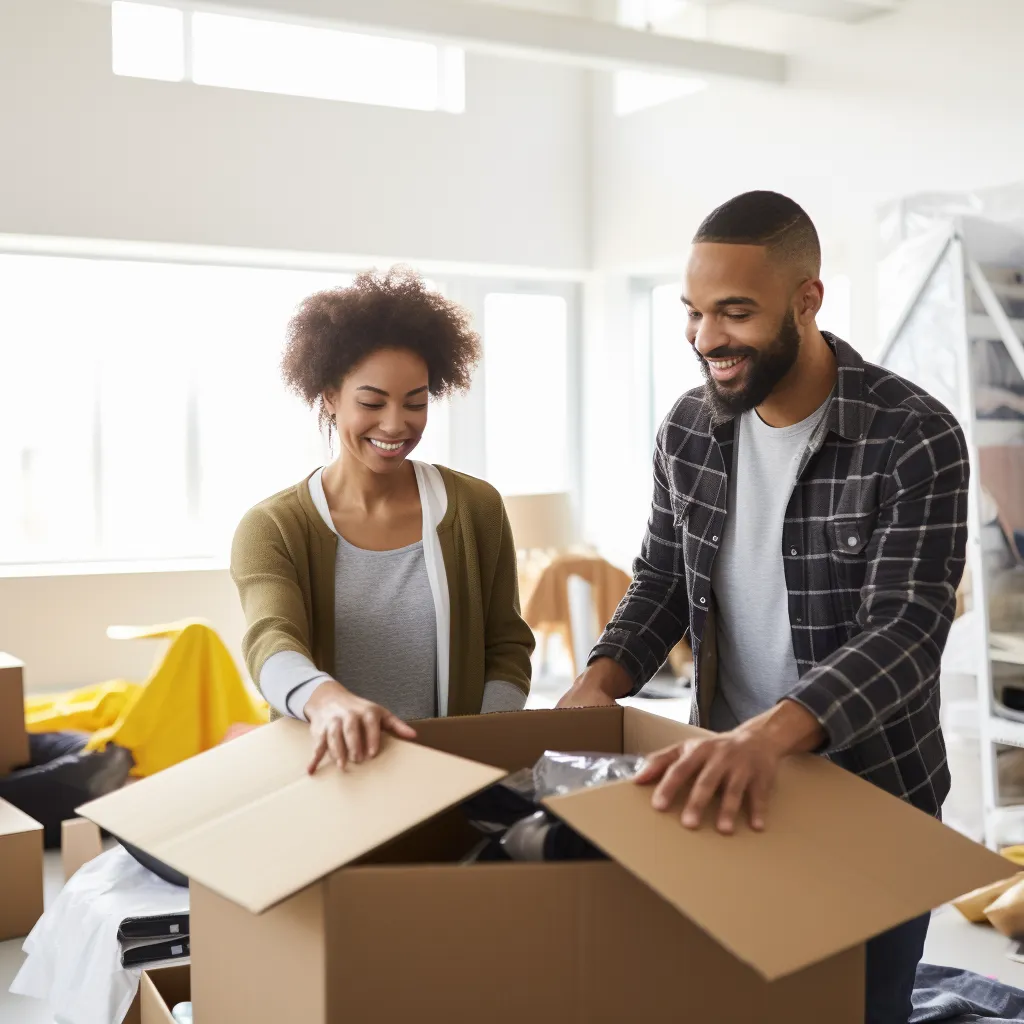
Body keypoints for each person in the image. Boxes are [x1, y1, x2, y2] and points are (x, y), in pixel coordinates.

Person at [558, 192, 968, 1024]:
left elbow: (907, 629)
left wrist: (766, 736)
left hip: (875, 798)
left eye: (734, 313)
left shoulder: (913, 436)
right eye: (694, 312)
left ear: (807, 300)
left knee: (861, 1010)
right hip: (728, 793)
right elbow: (662, 578)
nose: (707, 339)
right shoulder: (687, 430)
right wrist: (599, 682)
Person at [232, 267, 534, 774]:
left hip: (453, 777)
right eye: (371, 402)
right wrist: (324, 699)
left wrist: (483, 743)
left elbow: (506, 645)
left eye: (415, 403)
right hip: (328, 779)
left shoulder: (475, 508)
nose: (396, 425)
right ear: (329, 396)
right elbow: (271, 639)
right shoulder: (273, 527)